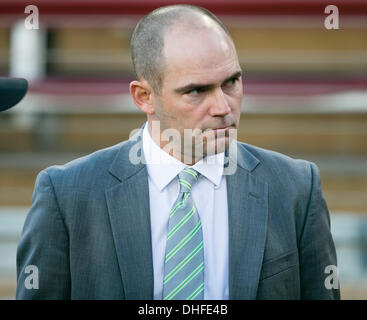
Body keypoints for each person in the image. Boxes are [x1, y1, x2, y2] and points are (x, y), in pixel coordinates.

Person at [16, 4, 340, 300]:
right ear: (144, 97)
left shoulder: (296, 187)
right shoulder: (68, 195)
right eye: (196, 90)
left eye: (231, 82)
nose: (223, 106)